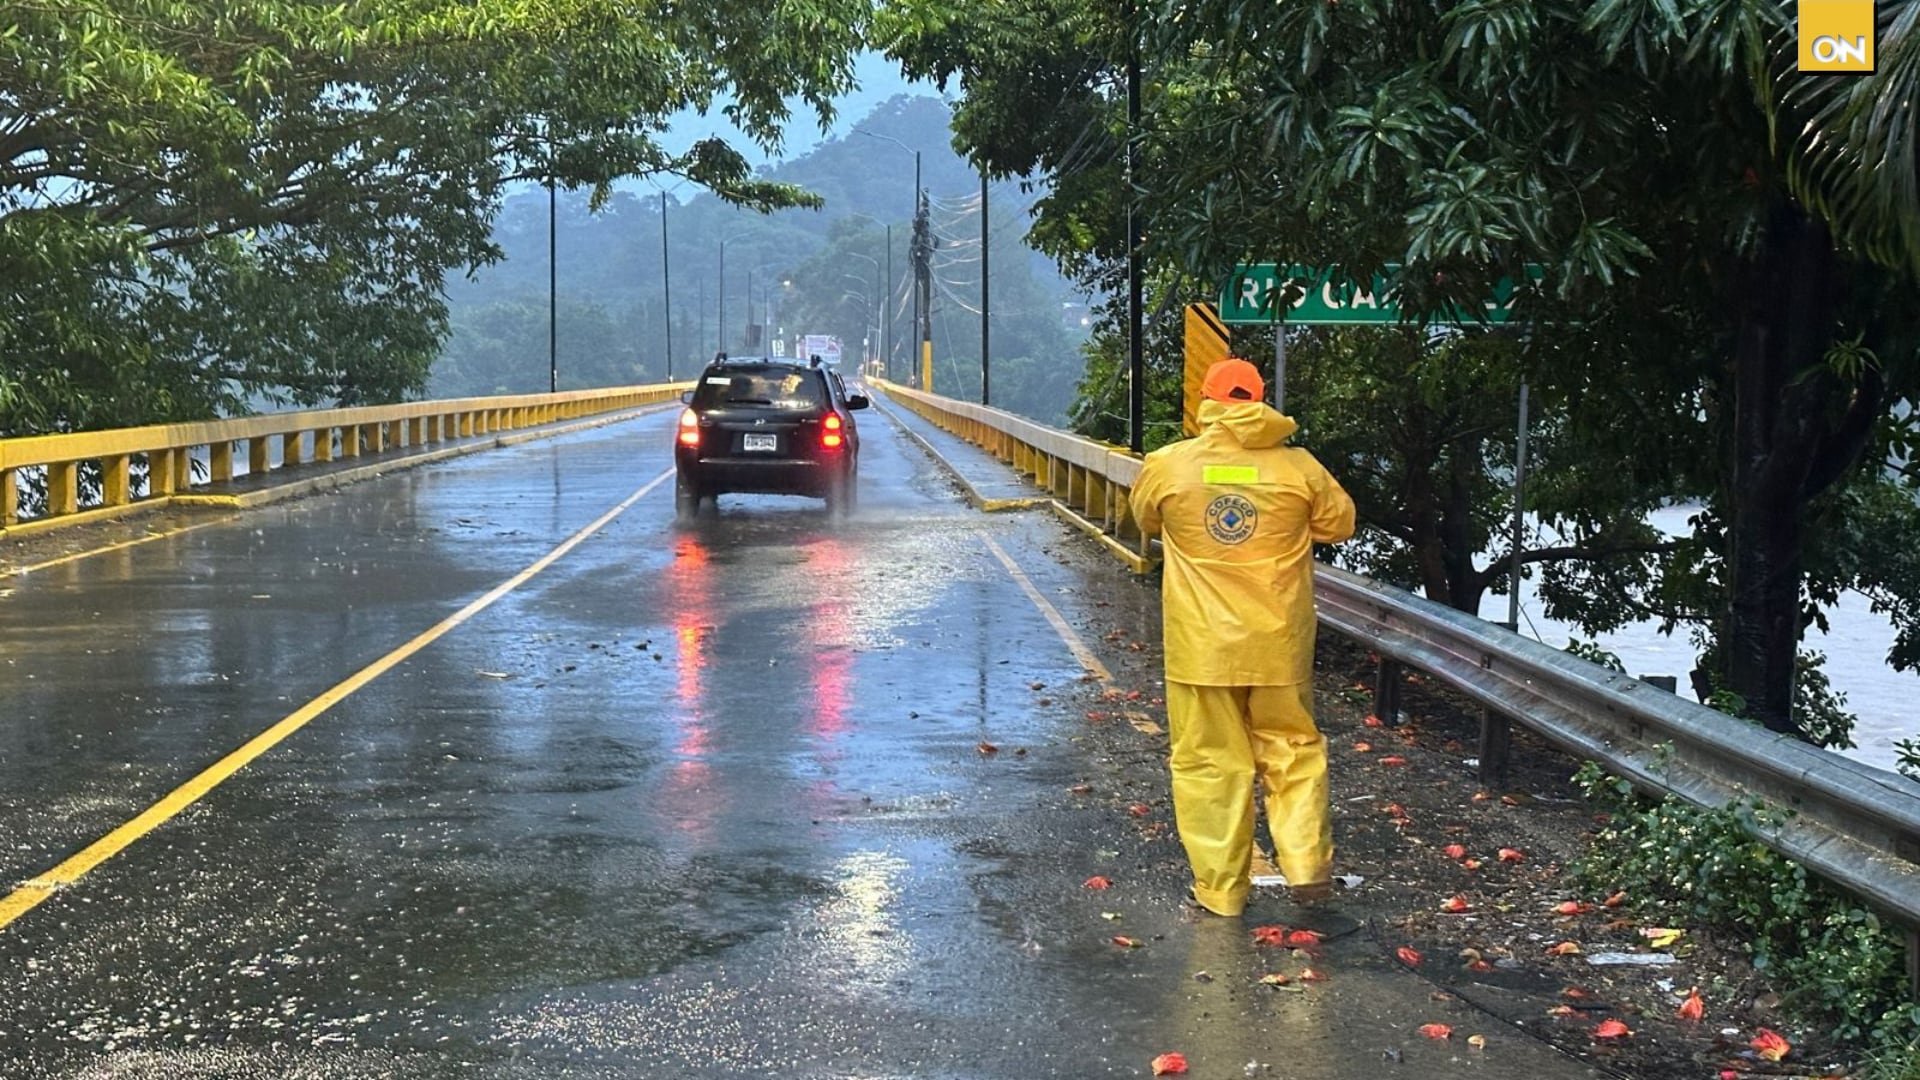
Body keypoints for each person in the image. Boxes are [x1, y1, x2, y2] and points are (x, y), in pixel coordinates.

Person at [1128, 357, 1356, 917]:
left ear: (1206, 400)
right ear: (1259, 399)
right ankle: (1306, 869)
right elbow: (1339, 524)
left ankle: (1222, 892)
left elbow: (1146, 520)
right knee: (1294, 752)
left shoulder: (1169, 466)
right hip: (1278, 641)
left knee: (1209, 763)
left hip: (1200, 645)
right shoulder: (1299, 468)